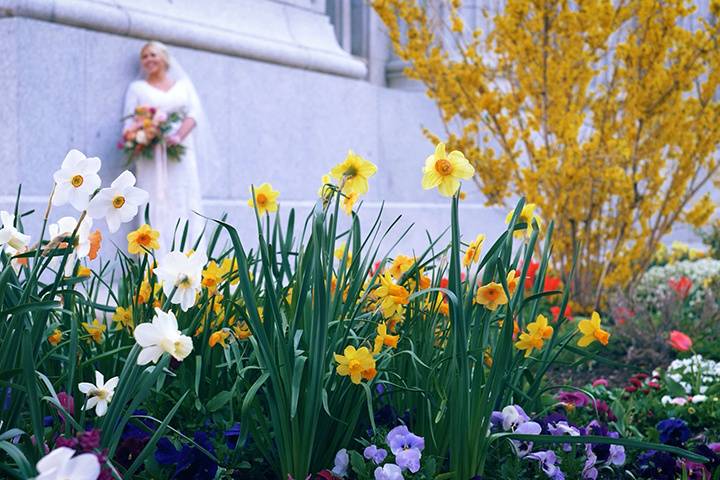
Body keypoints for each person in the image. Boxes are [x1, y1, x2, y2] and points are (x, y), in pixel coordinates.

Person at [123, 41, 205, 252]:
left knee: (183, 197)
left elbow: (194, 113)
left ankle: (189, 258)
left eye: (153, 55)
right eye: (144, 56)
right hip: (151, 157)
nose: (148, 60)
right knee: (155, 200)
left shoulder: (183, 85)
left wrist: (177, 136)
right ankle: (155, 264)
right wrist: (146, 133)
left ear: (164, 58)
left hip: (180, 155)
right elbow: (128, 125)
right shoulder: (137, 89)